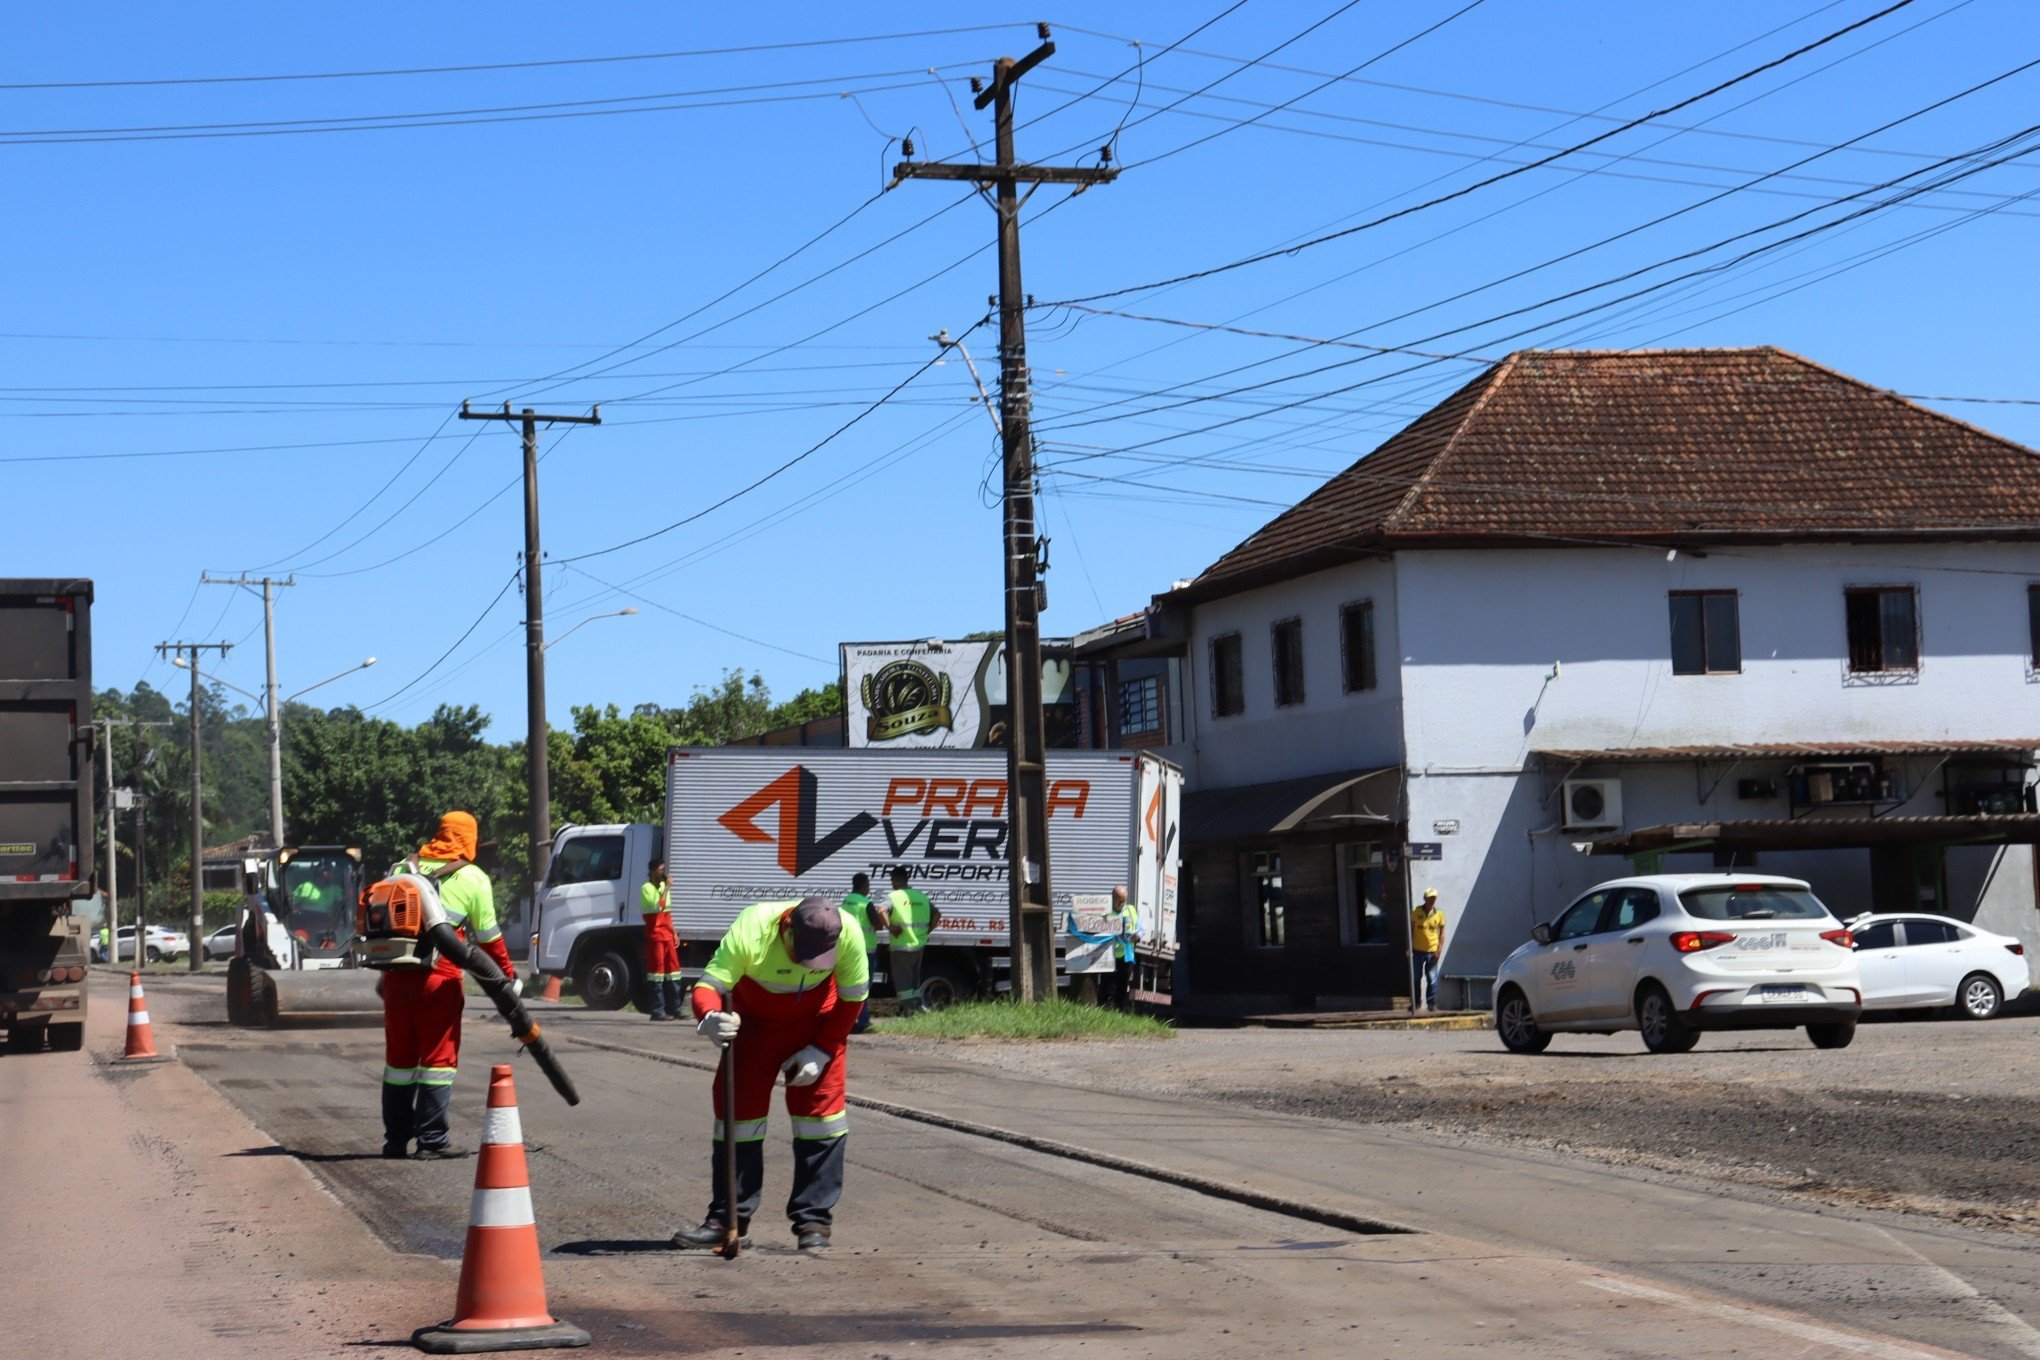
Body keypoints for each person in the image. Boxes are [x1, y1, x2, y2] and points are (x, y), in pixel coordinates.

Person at [671, 897, 869, 1253]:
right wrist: (709, 1018)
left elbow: (853, 999)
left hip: (818, 1024)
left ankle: (813, 1223)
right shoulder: (752, 929)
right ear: (787, 927)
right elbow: (708, 987)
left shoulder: (849, 933)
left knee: (822, 1120)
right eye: (803, 952)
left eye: (818, 958)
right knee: (739, 1117)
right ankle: (727, 1219)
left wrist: (823, 1049)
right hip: (754, 1024)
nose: (809, 963)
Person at [379, 811, 517, 1160]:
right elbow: (489, 938)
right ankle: (432, 1141)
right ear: (469, 839)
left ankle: (395, 1141)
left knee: (399, 1062)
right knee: (438, 1061)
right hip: (438, 980)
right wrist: (508, 977)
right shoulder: (473, 877)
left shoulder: (400, 868)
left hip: (396, 979)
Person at [885, 867, 941, 1013]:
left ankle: (909, 1010)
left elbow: (881, 910)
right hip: (918, 946)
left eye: (892, 880)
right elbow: (937, 914)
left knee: (903, 981)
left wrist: (890, 927)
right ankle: (917, 1006)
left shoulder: (894, 896)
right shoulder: (920, 896)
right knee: (914, 980)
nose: (892, 883)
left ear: (896, 880)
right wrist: (927, 931)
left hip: (901, 946)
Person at [839, 873, 888, 1034]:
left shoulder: (845, 902)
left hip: (847, 951)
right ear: (863, 886)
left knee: (848, 986)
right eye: (868, 885)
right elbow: (878, 925)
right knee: (863, 987)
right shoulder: (866, 904)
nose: (869, 888)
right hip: (865, 951)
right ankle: (863, 1021)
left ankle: (846, 1021)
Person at [640, 856, 681, 1022]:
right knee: (656, 974)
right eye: (661, 870)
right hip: (656, 936)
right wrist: (667, 888)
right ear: (652, 871)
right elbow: (658, 906)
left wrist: (675, 932)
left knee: (674, 973)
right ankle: (658, 1011)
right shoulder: (646, 888)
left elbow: (667, 914)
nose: (664, 873)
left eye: (664, 869)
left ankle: (675, 1009)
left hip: (667, 936)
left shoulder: (664, 886)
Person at [1409, 888, 1446, 1012]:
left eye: (1434, 898)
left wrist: (1439, 950)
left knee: (1432, 978)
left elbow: (1442, 933)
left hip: (1432, 951)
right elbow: (1410, 930)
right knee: (1416, 977)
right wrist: (1408, 946)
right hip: (1417, 950)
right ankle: (1417, 1003)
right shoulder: (1416, 911)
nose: (1432, 900)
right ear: (1425, 898)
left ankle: (1431, 1003)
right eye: (1430, 897)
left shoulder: (1439, 913)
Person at [1104, 884, 1140, 1011]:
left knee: (1123, 985)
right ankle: (1106, 1011)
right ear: (1112, 898)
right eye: (1118, 900)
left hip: (1126, 955)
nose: (1121, 903)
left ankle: (1120, 1012)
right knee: (1108, 986)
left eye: (1123, 900)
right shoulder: (1105, 911)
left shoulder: (1130, 909)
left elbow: (1139, 928)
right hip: (1108, 954)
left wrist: (1138, 935)